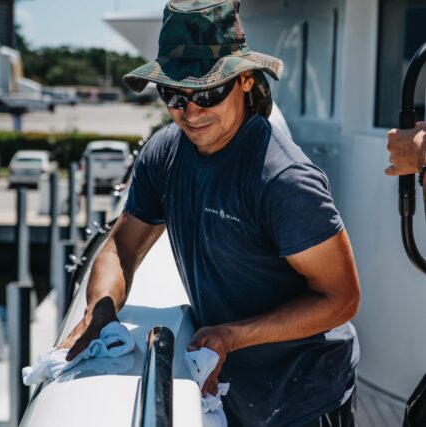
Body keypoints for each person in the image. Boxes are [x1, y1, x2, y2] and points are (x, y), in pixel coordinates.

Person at [58, 1, 361, 426]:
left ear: (244, 81)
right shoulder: (163, 153)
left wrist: (232, 335)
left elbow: (341, 298)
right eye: (174, 94)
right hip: (230, 387)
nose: (191, 111)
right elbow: (122, 248)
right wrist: (100, 309)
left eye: (208, 92)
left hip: (306, 395)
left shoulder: (284, 180)